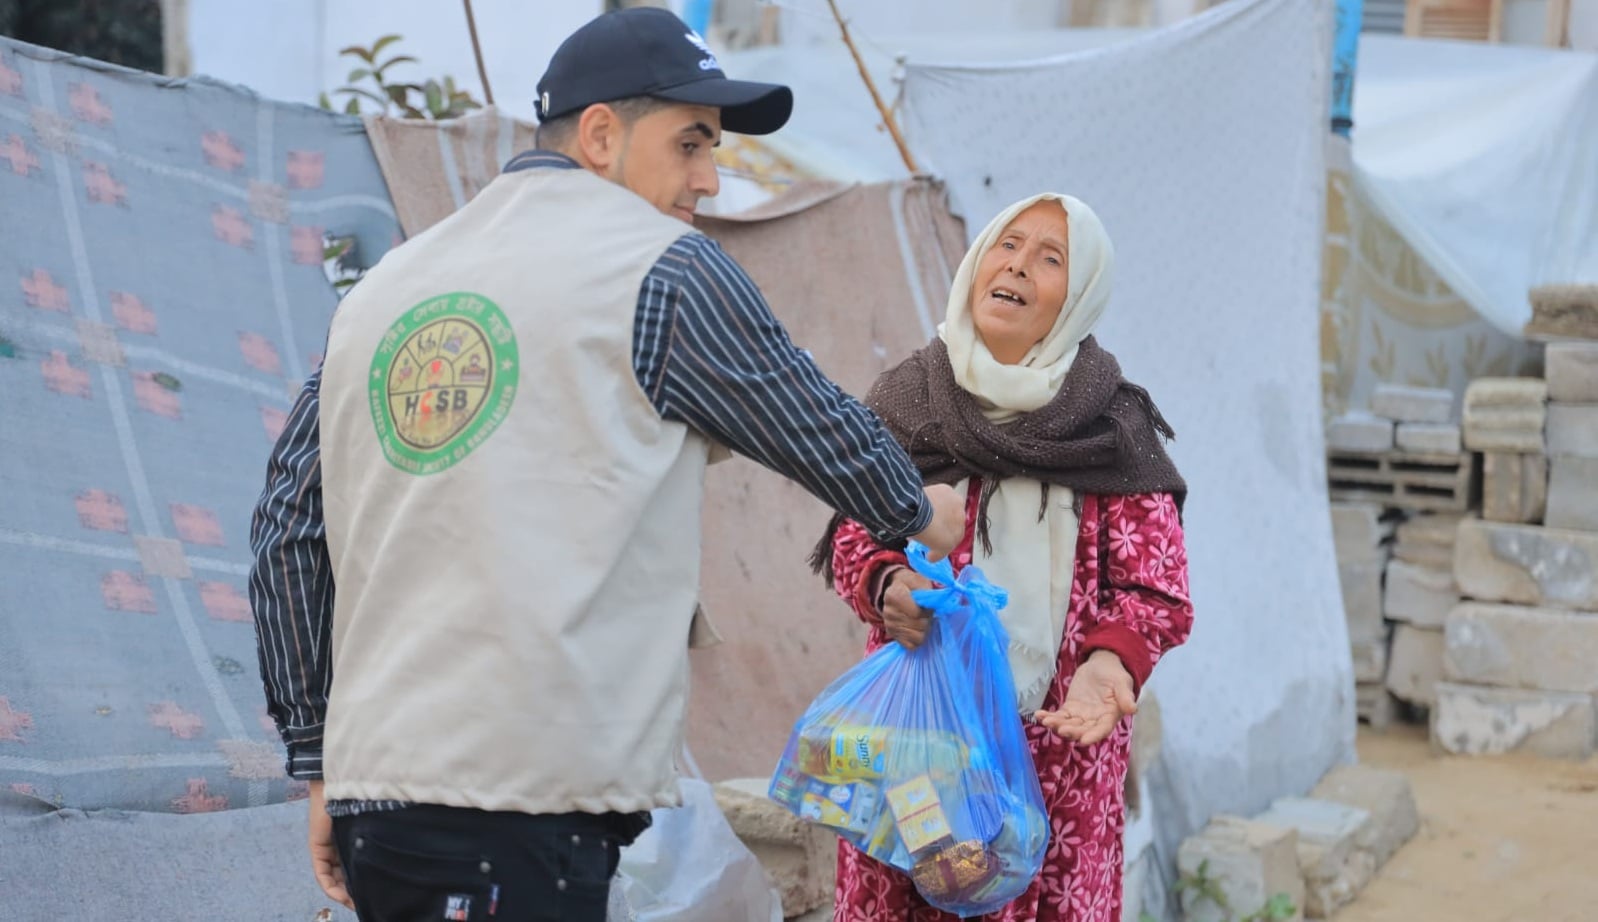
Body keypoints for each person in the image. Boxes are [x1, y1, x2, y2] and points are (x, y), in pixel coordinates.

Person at [247, 8, 966, 921]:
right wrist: (917, 510)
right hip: (520, 803)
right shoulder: (660, 267)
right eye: (691, 143)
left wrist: (319, 760)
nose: (710, 178)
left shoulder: (386, 288)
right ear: (599, 135)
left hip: (379, 802)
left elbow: (288, 529)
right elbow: (814, 423)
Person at [814, 193, 1194, 922]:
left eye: (1052, 258)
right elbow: (852, 536)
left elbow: (1156, 589)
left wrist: (1109, 665)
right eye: (1008, 244)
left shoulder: (1114, 426)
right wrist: (886, 583)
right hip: (917, 745)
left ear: (1078, 297)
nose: (1018, 265)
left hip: (1054, 758)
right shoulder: (908, 400)